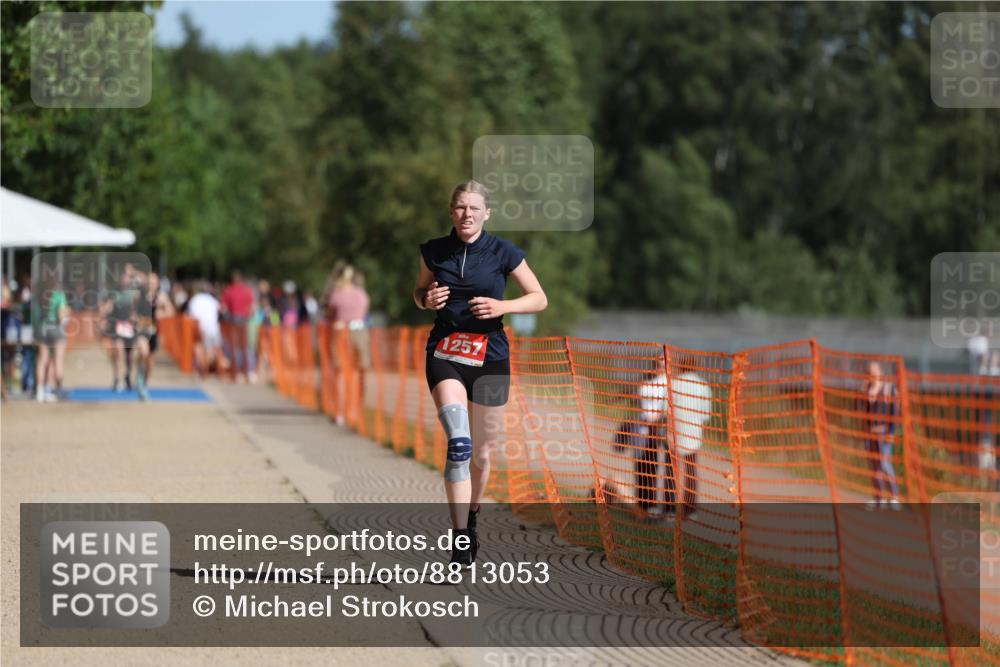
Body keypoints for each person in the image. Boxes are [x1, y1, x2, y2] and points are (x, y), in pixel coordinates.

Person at [413, 180, 547, 568]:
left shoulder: (504, 252)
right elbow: (419, 293)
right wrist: (427, 300)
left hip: (491, 358)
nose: (466, 214)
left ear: (487, 213)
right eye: (459, 207)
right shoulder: (434, 251)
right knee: (459, 445)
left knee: (483, 455)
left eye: (474, 208)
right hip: (446, 353)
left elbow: (540, 298)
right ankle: (457, 545)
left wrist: (502, 305)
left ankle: (471, 518)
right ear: (451, 212)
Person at [326, 264, 371, 425]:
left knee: (340, 373)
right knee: (358, 373)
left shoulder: (336, 295)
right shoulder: (361, 295)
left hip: (340, 334)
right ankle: (354, 410)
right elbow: (364, 311)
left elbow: (330, 314)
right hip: (359, 332)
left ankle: (340, 413)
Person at [860, 361, 901, 510]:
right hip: (870, 433)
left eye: (874, 371)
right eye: (869, 371)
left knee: (885, 464)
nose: (872, 374)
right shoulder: (866, 390)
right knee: (874, 467)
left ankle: (895, 496)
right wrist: (864, 394)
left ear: (880, 372)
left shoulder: (889, 389)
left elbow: (895, 412)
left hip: (884, 433)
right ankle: (879, 498)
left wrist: (892, 431)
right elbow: (859, 409)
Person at [134, 272, 175, 401]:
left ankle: (144, 385)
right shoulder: (139, 295)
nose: (151, 285)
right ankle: (139, 374)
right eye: (149, 282)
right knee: (143, 352)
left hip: (154, 332)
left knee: (150, 362)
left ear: (157, 284)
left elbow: (171, 312)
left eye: (153, 283)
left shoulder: (161, 297)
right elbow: (131, 311)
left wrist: (160, 313)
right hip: (141, 330)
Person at [34, 273, 69, 402]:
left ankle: (40, 391)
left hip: (43, 329)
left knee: (42, 360)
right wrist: (66, 315)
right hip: (56, 329)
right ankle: (57, 390)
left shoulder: (40, 296)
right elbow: (61, 317)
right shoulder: (59, 295)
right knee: (57, 360)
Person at [221, 270, 256, 383]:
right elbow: (253, 308)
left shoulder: (229, 291)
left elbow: (223, 309)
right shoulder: (248, 291)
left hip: (233, 321)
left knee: (235, 348)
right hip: (245, 320)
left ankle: (237, 374)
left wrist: (225, 317)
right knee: (245, 347)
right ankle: (248, 372)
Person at [187, 282, 223, 377]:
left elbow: (191, 316)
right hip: (213, 327)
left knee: (203, 348)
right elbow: (220, 310)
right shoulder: (212, 300)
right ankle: (215, 371)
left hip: (201, 327)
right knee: (214, 349)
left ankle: (204, 369)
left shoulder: (194, 300)